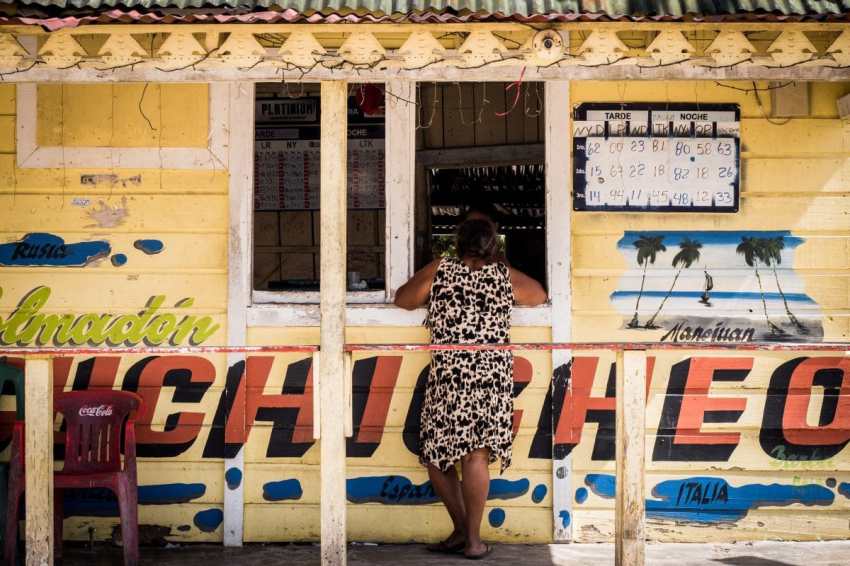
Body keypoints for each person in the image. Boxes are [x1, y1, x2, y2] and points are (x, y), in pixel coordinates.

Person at [394, 218, 547, 559]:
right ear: (494, 245)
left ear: (458, 243)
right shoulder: (501, 275)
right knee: (477, 456)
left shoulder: (441, 269)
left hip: (450, 374)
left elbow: (403, 300)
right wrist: (502, 266)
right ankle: (472, 539)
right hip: (491, 378)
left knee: (436, 456)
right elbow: (538, 295)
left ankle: (463, 530)